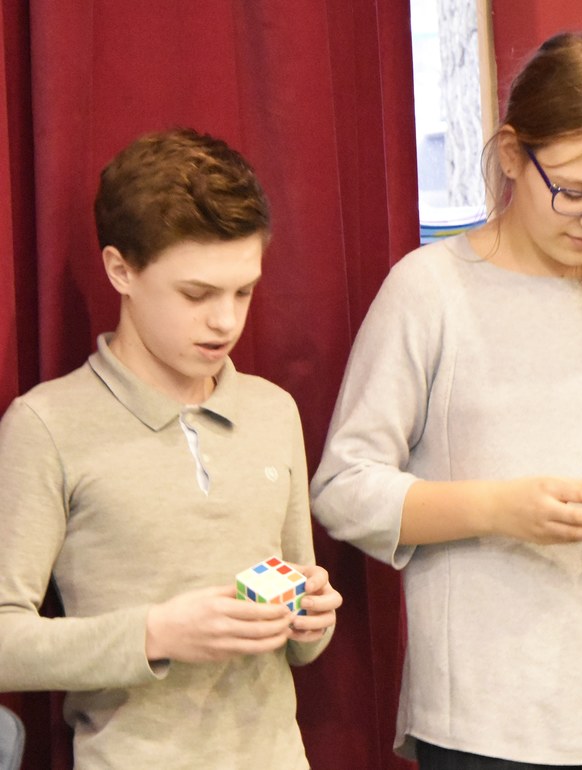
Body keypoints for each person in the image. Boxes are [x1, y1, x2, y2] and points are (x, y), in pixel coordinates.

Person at [310, 32, 582, 770]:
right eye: (573, 192)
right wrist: (497, 509)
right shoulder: (430, 290)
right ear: (513, 154)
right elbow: (344, 488)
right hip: (489, 722)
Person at [0, 128, 341, 769]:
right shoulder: (46, 425)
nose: (225, 321)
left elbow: (302, 637)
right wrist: (155, 634)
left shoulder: (273, 411)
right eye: (196, 294)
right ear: (120, 270)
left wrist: (312, 614)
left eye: (243, 291)